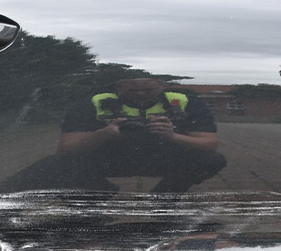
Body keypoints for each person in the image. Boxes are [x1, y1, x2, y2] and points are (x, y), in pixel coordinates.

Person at [57, 78, 226, 192]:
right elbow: (66, 149)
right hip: (112, 158)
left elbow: (210, 145)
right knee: (56, 166)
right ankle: (98, 194)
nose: (140, 94)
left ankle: (165, 195)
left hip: (164, 157)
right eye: (133, 90)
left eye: (148, 90)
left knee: (211, 160)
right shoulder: (94, 103)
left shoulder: (185, 103)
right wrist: (102, 134)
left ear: (162, 86)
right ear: (119, 87)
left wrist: (172, 136)